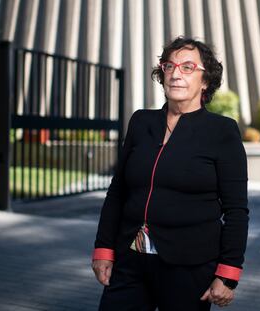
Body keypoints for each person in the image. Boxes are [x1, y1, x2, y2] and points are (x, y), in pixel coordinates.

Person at [91, 36, 249, 311]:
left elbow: (236, 210)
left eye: (188, 67)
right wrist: (104, 249)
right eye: (169, 66)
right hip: (130, 258)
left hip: (189, 267)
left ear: (206, 81)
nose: (176, 74)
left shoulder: (222, 132)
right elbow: (118, 191)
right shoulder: (141, 122)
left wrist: (228, 273)